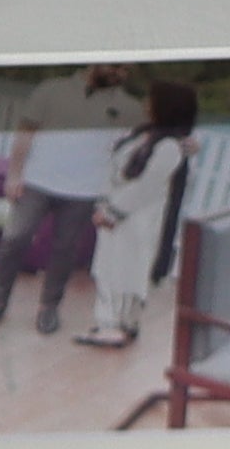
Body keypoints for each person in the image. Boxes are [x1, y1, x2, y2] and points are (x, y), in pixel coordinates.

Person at [0, 66, 143, 337]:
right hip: (36, 182)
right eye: (113, 65)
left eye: (124, 68)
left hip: (84, 191)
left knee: (65, 250)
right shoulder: (52, 90)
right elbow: (26, 131)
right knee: (15, 237)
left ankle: (49, 307)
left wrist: (185, 142)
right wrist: (14, 174)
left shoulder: (130, 108)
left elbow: (149, 141)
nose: (119, 72)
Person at [78, 80, 200, 353]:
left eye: (152, 99)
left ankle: (112, 325)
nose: (146, 104)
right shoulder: (148, 135)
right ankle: (124, 323)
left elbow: (147, 186)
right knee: (120, 269)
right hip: (126, 215)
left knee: (119, 271)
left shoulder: (169, 146)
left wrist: (113, 212)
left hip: (135, 219)